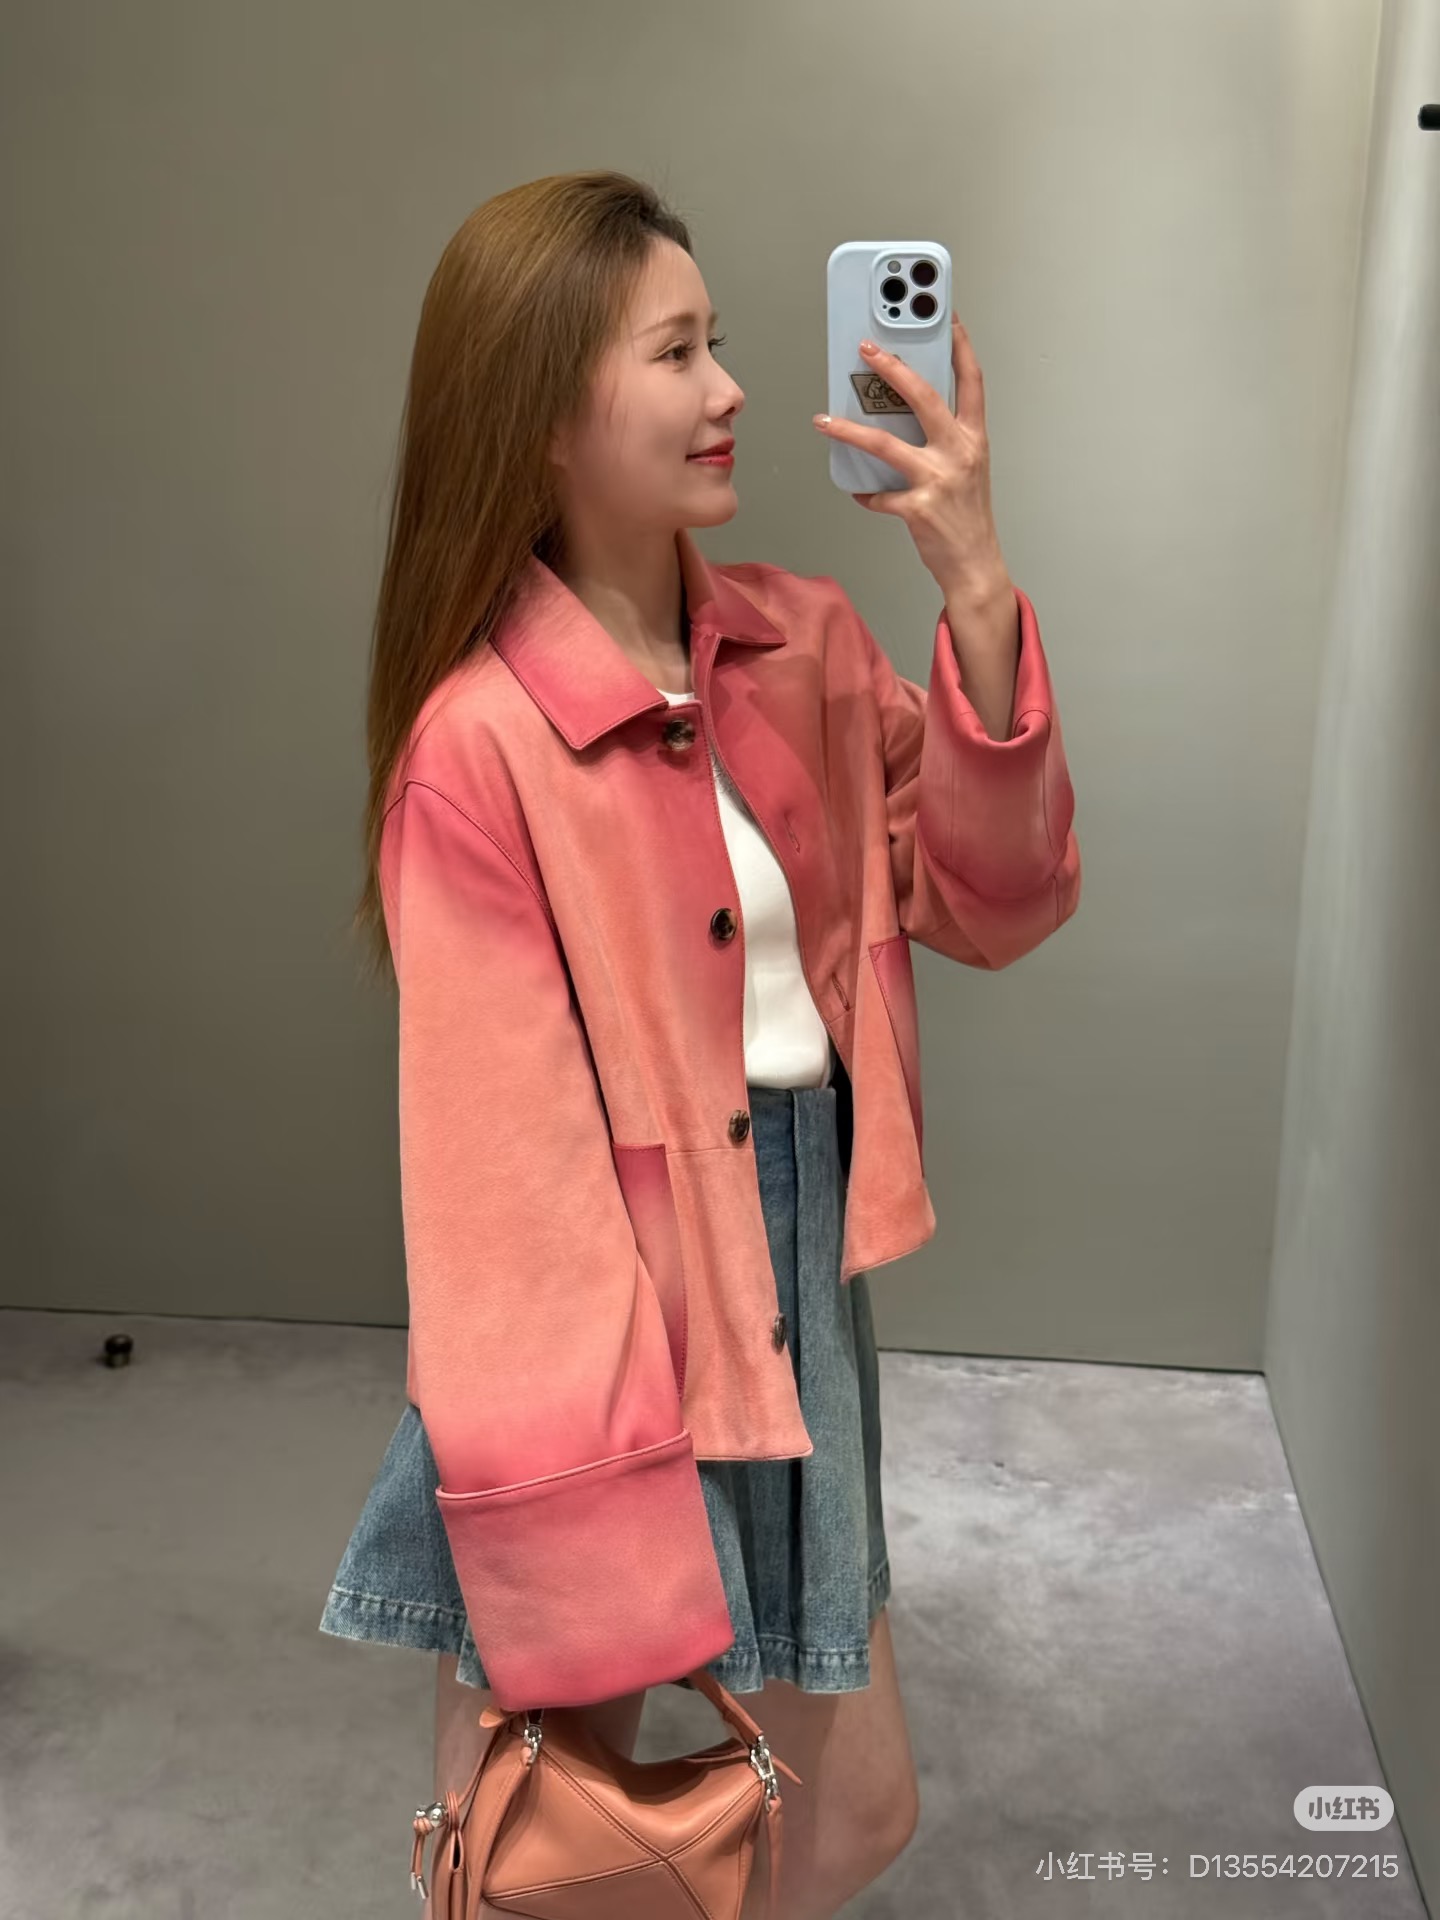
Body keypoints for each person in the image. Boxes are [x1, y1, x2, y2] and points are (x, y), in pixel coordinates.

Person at [319, 168, 1080, 1920]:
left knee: (848, 1809)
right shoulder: (481, 747)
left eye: (717, 340)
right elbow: (505, 1191)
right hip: (596, 1322)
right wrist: (574, 1498)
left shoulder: (803, 644)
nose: (732, 387)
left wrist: (973, 587)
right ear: (543, 410)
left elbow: (998, 900)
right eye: (676, 352)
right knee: (545, 1838)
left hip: (796, 1277)